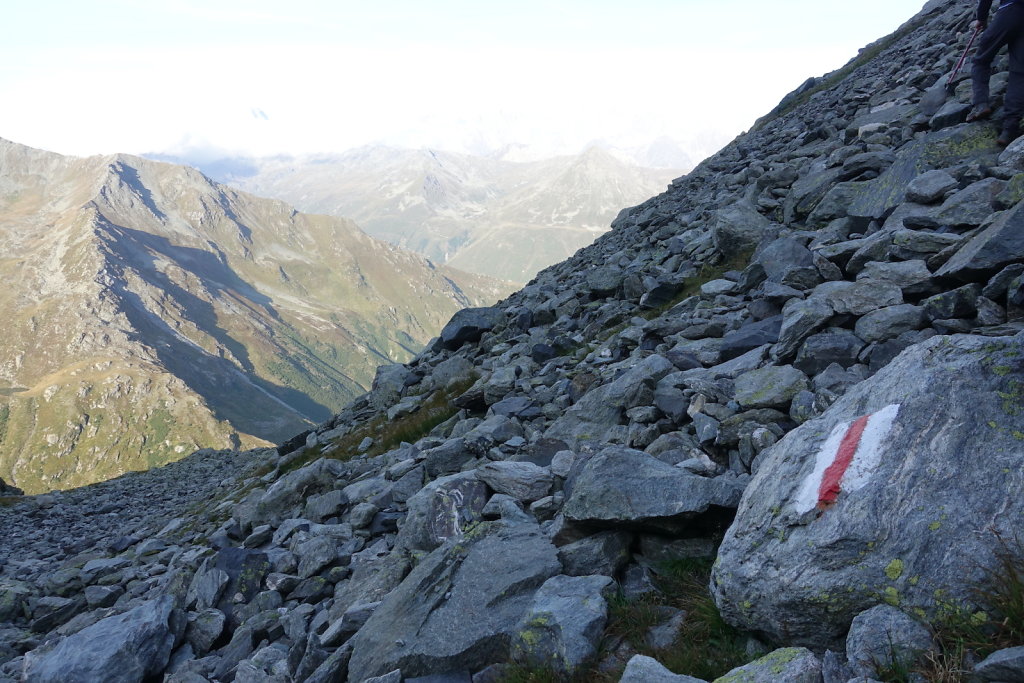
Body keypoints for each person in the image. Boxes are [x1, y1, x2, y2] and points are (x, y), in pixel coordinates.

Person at [968, 0, 1024, 145]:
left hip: (1008, 11)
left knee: (980, 60)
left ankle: (981, 104)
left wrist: (981, 17)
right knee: (1019, 73)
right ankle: (1009, 129)